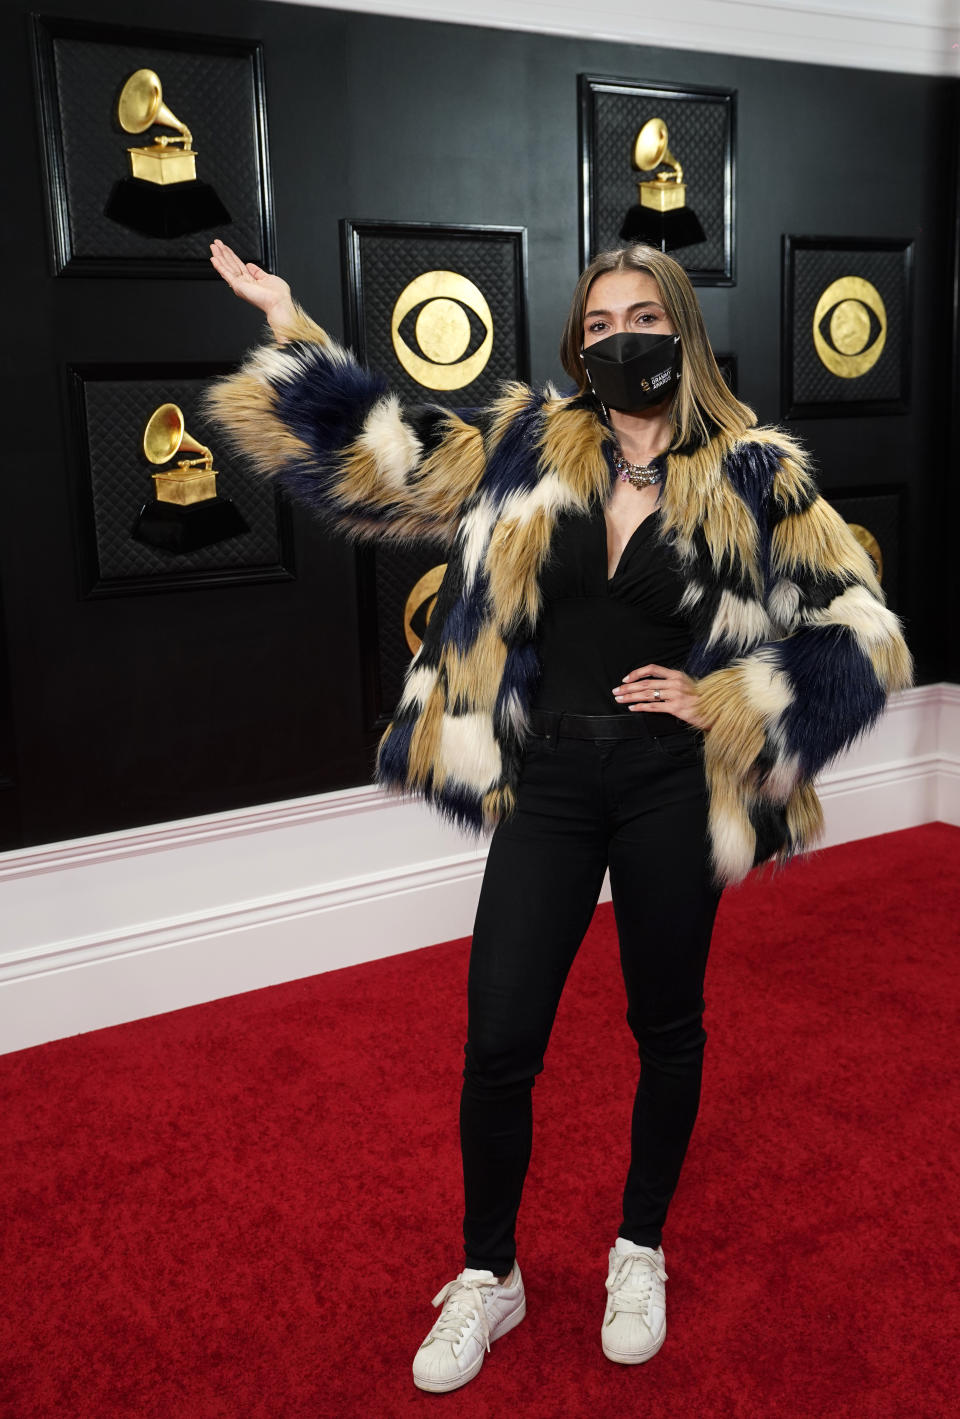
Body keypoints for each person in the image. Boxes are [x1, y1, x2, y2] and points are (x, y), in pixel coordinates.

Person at [206, 237, 912, 1392]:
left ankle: (639, 1250)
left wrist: (729, 698)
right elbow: (385, 456)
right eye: (596, 323)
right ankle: (490, 1273)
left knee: (666, 1025)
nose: (616, 336)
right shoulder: (527, 442)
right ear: (577, 343)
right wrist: (291, 324)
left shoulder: (752, 469)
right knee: (500, 1039)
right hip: (553, 781)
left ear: (678, 325)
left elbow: (866, 630)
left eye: (639, 314)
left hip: (672, 785)